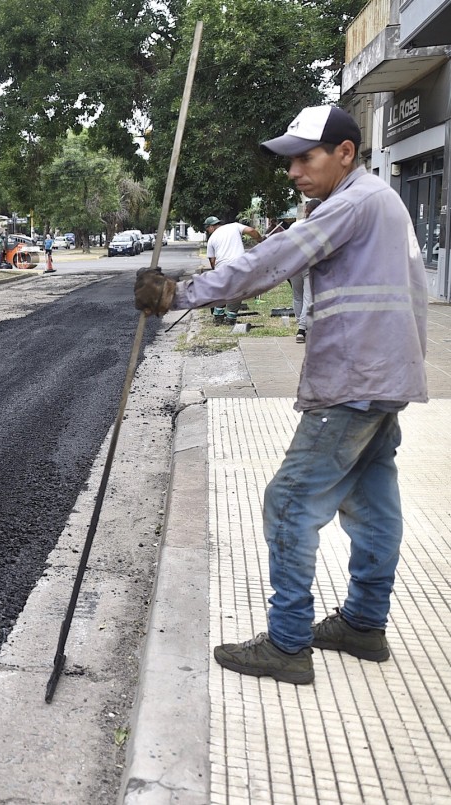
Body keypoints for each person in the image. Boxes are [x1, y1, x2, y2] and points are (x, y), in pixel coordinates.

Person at [135, 105, 428, 685]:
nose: (293, 169)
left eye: (305, 157)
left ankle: (288, 645)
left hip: (352, 380)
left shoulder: (352, 202)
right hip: (384, 377)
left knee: (289, 502)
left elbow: (272, 262)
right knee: (373, 505)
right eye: (290, 159)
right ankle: (364, 625)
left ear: (345, 153)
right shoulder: (381, 201)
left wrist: (179, 292)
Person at [203, 215, 265, 324]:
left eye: (207, 228)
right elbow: (251, 230)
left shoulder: (211, 239)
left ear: (212, 226)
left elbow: (212, 261)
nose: (207, 231)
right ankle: (231, 318)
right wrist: (260, 240)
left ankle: (218, 316)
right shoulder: (234, 226)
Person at [288, 199, 320, 344]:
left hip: (294, 263)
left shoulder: (296, 225)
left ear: (306, 210)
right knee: (308, 297)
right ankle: (302, 329)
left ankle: (300, 326)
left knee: (297, 296)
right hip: (309, 264)